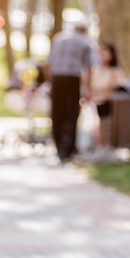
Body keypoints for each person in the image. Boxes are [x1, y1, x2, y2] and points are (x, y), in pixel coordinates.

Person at [47, 18, 94, 163]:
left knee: (57, 112)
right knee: (71, 113)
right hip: (72, 79)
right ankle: (66, 150)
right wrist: (88, 89)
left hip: (57, 78)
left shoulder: (59, 38)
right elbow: (89, 67)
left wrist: (50, 82)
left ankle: (59, 146)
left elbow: (49, 63)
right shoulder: (85, 42)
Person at [86, 42, 124, 159]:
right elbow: (91, 87)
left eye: (105, 52)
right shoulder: (95, 70)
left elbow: (116, 89)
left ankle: (106, 147)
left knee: (103, 116)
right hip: (95, 102)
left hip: (109, 104)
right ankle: (99, 147)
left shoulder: (115, 72)